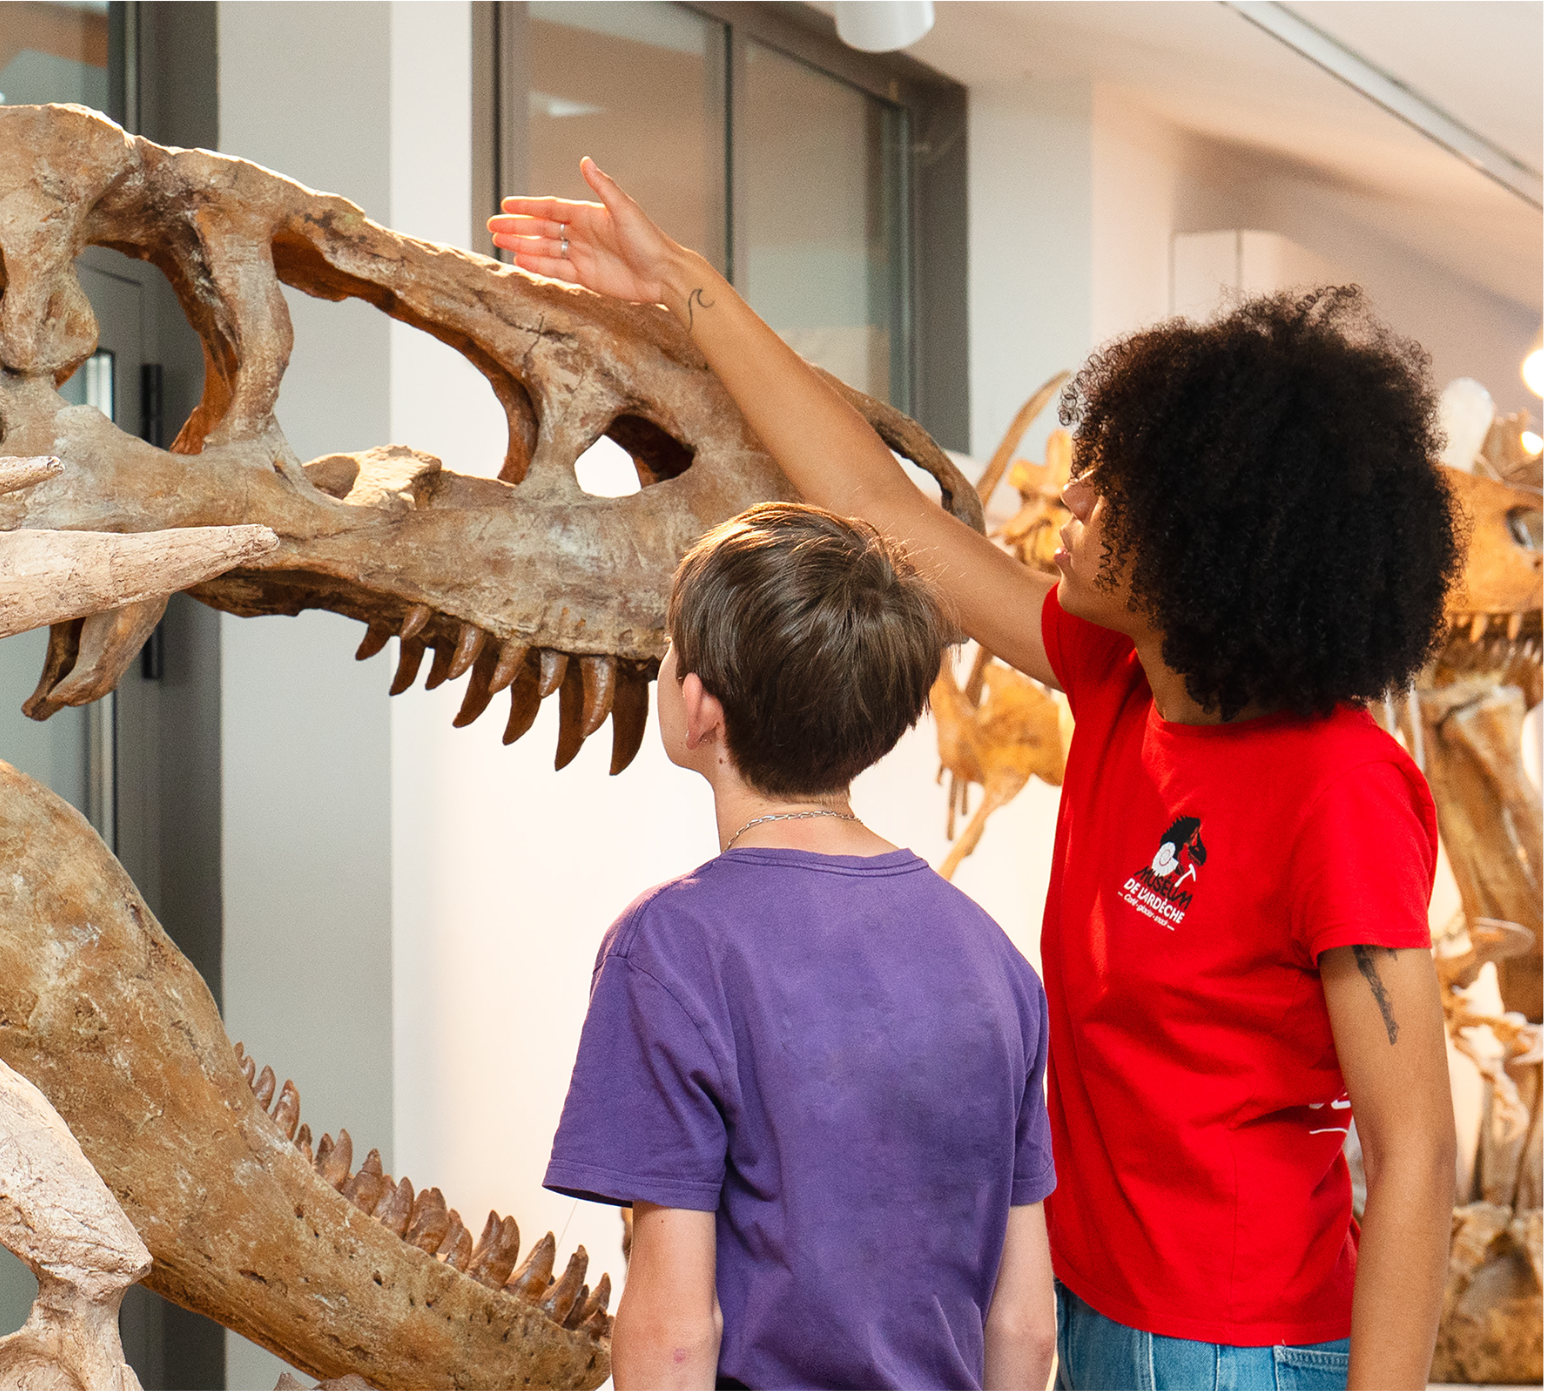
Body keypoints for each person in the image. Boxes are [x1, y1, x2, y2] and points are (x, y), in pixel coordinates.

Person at [497, 161, 1457, 1391]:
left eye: (1115, 488)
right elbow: (873, 510)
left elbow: (1415, 1147)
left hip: (1234, 1349)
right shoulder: (1119, 683)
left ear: (1213, 536)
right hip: (1093, 1312)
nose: (1072, 494)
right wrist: (682, 287)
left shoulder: (1338, 782)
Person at [543, 501, 1060, 1391]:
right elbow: (1021, 1322)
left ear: (698, 703)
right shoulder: (992, 958)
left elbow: (674, 1330)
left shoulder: (669, 949)